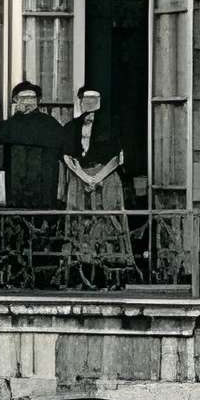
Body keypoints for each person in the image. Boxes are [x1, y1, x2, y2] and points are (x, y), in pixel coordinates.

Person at [0, 80, 68, 288]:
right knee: (16, 235)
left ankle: (45, 279)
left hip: (44, 193)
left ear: (38, 101)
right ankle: (16, 277)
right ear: (15, 100)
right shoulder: (6, 128)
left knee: (45, 235)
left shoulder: (50, 125)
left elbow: (63, 159)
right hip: (16, 194)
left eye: (31, 98)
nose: (27, 102)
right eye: (23, 98)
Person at [57, 87, 135, 288]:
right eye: (86, 98)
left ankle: (109, 274)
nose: (89, 101)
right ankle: (80, 271)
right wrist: (83, 177)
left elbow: (118, 157)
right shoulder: (71, 127)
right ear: (80, 101)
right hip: (79, 178)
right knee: (79, 221)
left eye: (94, 98)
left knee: (107, 221)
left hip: (106, 178)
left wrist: (98, 177)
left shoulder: (113, 125)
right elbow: (67, 156)